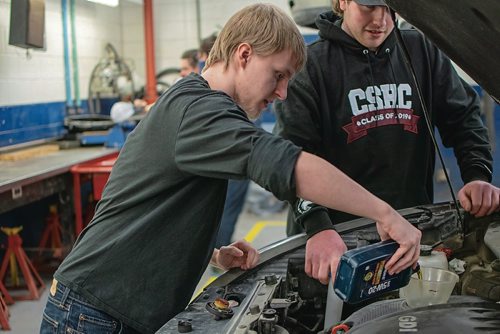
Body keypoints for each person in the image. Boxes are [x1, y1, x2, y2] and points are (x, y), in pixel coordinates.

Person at [40, 4, 421, 334]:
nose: (282, 92)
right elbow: (288, 166)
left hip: (111, 308)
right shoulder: (200, 112)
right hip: (93, 313)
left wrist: (211, 252)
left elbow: (151, 205)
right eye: (279, 74)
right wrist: (384, 213)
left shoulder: (196, 104)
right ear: (243, 55)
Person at [274, 0, 500, 265]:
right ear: (343, 2)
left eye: (389, 7)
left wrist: (476, 176)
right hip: (337, 238)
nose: (380, 20)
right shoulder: (310, 66)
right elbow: (293, 158)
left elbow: (463, 118)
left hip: (412, 230)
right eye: (369, 7)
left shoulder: (422, 50)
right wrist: (317, 226)